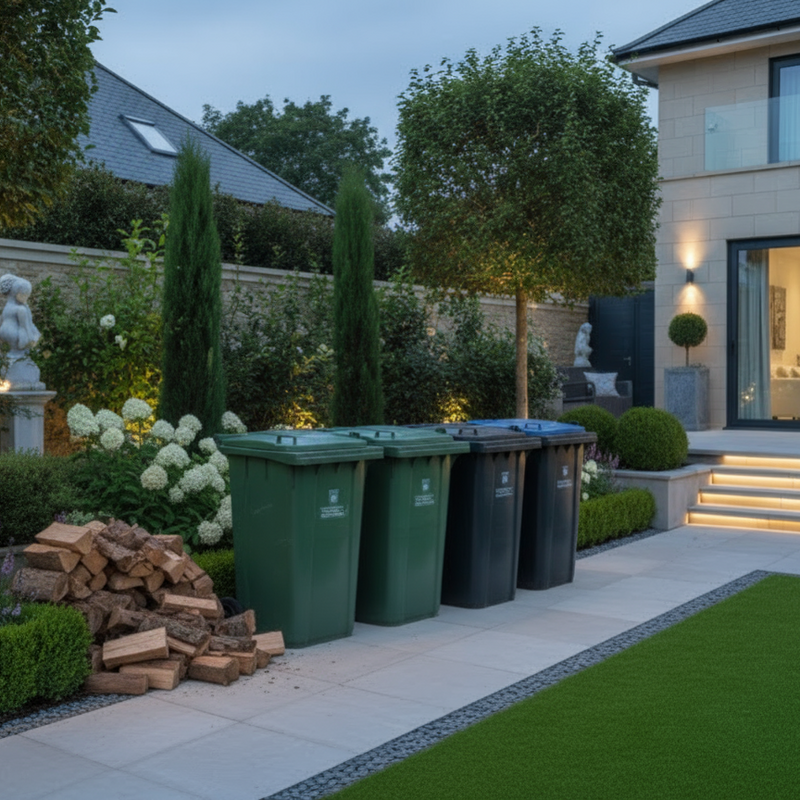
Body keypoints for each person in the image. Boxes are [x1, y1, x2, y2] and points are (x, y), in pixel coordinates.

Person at [0, 274, 41, 355]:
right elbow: (25, 327)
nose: (26, 298)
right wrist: (31, 340)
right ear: (16, 293)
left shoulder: (7, 307)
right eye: (24, 295)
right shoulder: (21, 309)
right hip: (16, 341)